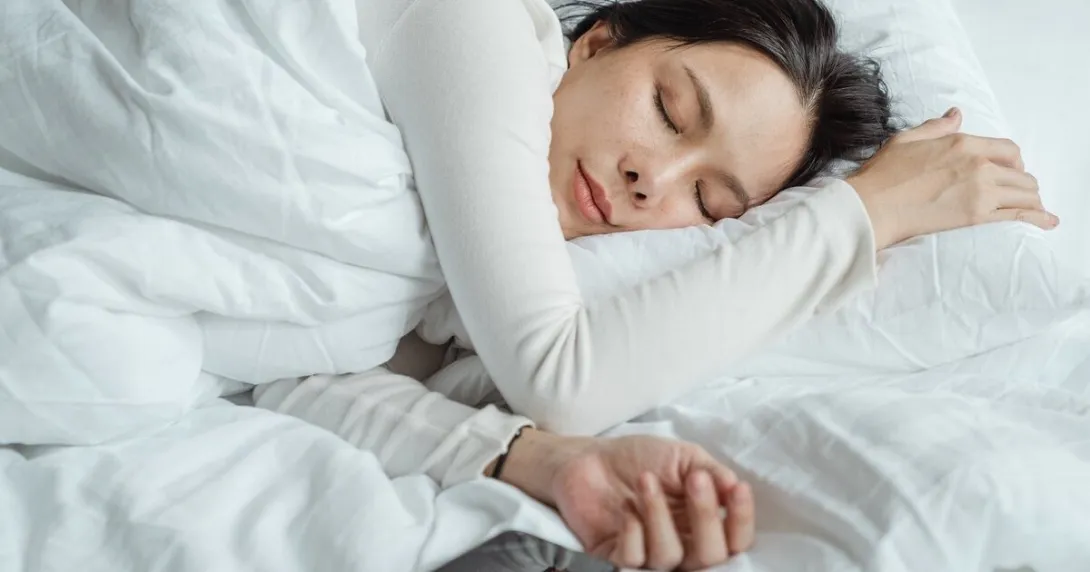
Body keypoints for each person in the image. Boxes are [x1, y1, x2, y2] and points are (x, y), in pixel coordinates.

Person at [255, 0, 1055, 569]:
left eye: (707, 202)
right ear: (596, 44)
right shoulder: (473, 23)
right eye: (670, 111)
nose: (651, 179)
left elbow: (292, 383)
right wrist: (865, 214)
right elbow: (561, 377)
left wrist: (544, 465)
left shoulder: (449, 284)